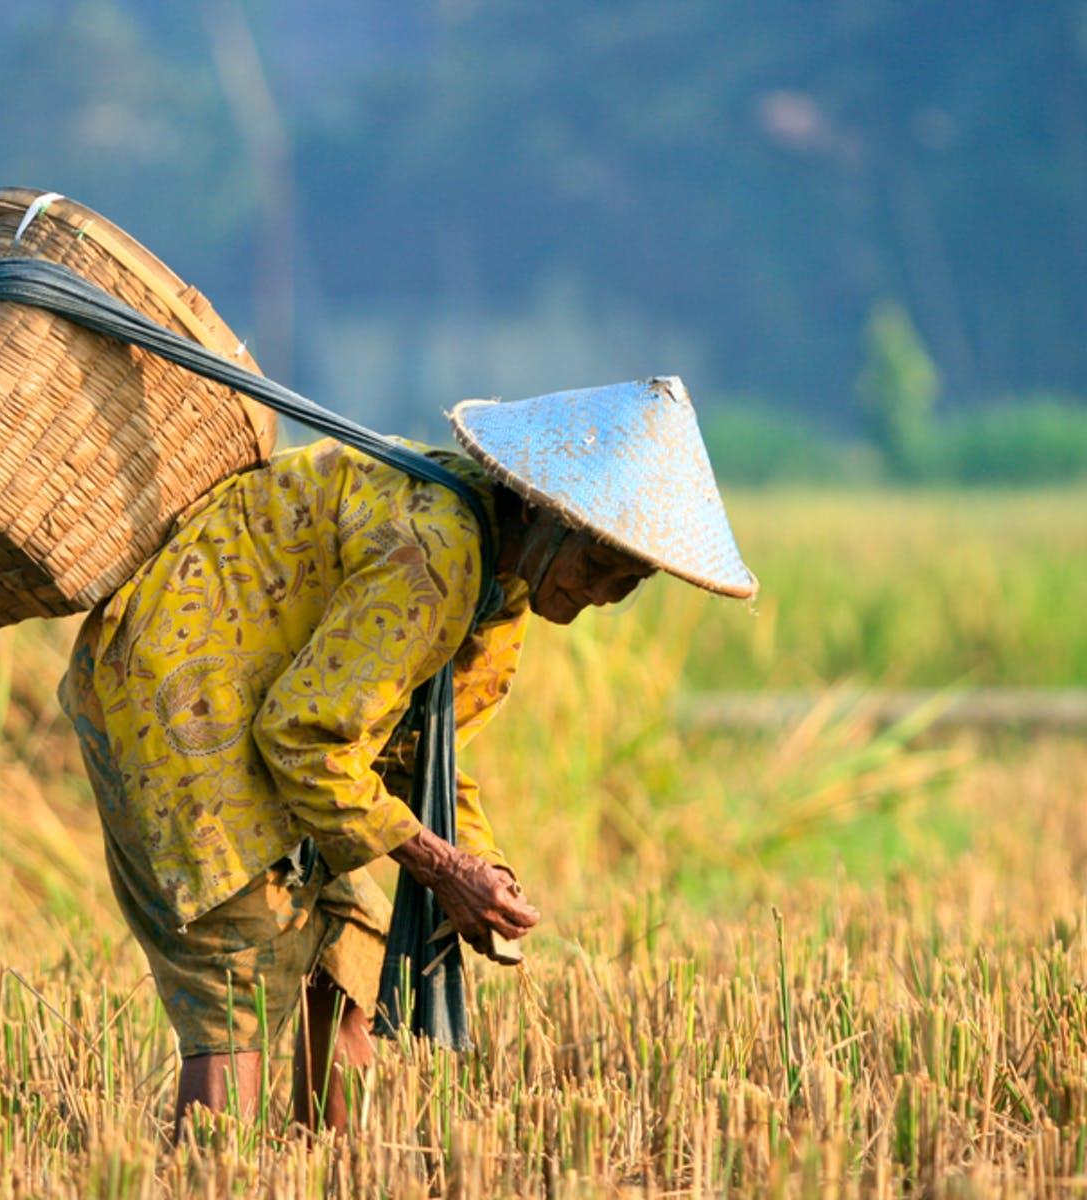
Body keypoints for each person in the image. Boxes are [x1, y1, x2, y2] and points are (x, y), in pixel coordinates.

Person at [59, 376, 755, 1134]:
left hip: (266, 704)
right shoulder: (436, 554)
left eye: (632, 581)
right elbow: (304, 738)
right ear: (546, 515)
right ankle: (207, 1176)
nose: (607, 596)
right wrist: (443, 868)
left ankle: (334, 1172)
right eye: (599, 566)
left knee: (348, 952)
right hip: (180, 699)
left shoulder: (503, 579)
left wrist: (480, 867)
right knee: (242, 963)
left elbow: (429, 750)